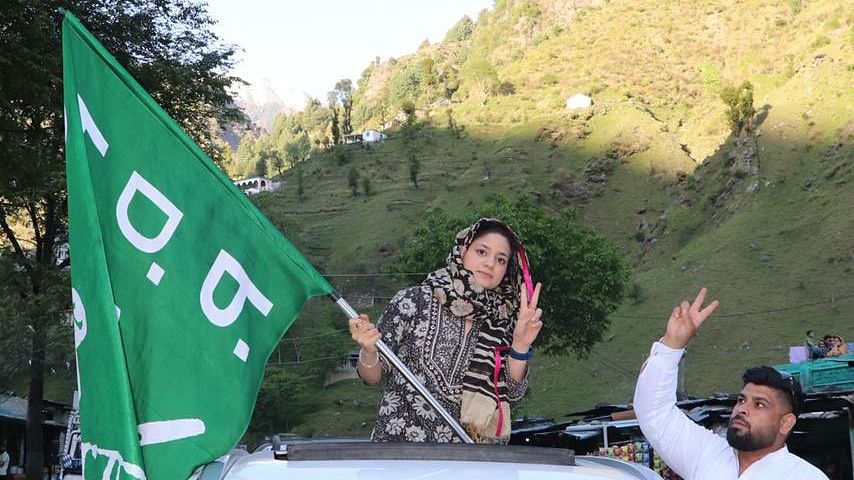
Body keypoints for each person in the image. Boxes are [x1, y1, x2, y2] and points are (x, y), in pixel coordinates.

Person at [349, 218, 543, 443]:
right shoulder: (413, 301)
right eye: (482, 252)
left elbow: (514, 394)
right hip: (400, 457)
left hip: (471, 462)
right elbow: (371, 377)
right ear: (463, 250)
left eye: (501, 259)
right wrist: (369, 351)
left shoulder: (506, 321)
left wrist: (520, 345)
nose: (490, 263)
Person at [633, 288, 828, 479]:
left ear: (786, 423)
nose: (742, 409)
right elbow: (654, 412)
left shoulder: (804, 475)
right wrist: (671, 346)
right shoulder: (707, 454)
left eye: (759, 404)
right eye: (742, 400)